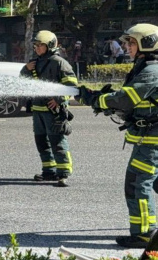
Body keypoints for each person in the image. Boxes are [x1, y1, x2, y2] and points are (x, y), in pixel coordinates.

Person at [78, 24, 158, 248]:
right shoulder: (145, 67)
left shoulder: (152, 71)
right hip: (150, 134)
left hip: (152, 138)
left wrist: (96, 100)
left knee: (137, 183)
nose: (126, 47)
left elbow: (125, 99)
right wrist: (103, 97)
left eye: (131, 42)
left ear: (147, 44)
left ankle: (143, 233)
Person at [21, 30, 78, 187]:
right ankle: (49, 172)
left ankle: (63, 174)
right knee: (42, 143)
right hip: (38, 111)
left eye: (40, 45)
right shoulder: (34, 63)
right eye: (36, 46)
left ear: (50, 45)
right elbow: (22, 81)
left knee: (57, 142)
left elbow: (72, 85)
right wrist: (26, 69)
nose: (37, 48)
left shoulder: (59, 63)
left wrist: (59, 99)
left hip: (53, 112)